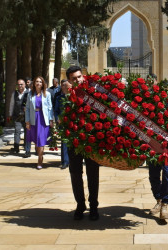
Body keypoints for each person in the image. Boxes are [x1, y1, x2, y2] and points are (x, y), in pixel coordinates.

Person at [66, 66, 100, 221]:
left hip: (91, 140)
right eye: (74, 78)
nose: (78, 80)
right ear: (69, 80)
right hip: (73, 141)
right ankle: (80, 204)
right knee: (75, 173)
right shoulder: (64, 95)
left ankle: (93, 206)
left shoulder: (93, 93)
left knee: (93, 173)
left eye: (79, 77)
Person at [25, 76, 54, 170]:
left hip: (43, 119)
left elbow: (50, 108)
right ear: (34, 83)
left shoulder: (47, 94)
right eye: (36, 81)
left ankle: (39, 160)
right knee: (36, 140)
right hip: (34, 119)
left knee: (41, 139)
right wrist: (27, 121)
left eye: (40, 82)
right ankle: (40, 155)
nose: (38, 83)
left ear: (43, 84)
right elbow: (28, 109)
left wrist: (51, 120)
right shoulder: (30, 94)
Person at [54, 79, 72, 170]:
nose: (67, 87)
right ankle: (65, 161)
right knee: (64, 142)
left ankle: (72, 161)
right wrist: (57, 119)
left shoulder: (73, 97)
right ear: (62, 87)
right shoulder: (59, 98)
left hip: (72, 123)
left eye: (69, 86)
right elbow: (56, 111)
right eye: (65, 86)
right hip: (63, 123)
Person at [7, 79, 28, 154]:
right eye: (18, 84)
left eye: (21, 84)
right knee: (17, 131)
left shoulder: (28, 93)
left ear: (25, 84)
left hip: (26, 117)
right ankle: (16, 147)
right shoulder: (14, 93)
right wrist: (10, 114)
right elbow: (12, 104)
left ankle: (26, 147)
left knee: (27, 131)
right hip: (17, 116)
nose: (20, 86)